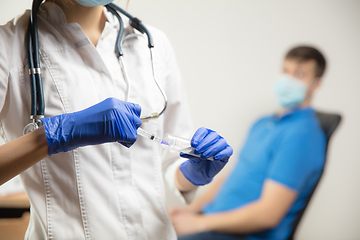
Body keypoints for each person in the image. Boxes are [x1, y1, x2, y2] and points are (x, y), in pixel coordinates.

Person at [0, 0, 233, 239]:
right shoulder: (8, 46)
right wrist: (54, 135)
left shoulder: (152, 44)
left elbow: (168, 163)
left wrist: (191, 172)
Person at [170, 46, 327, 240]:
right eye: (286, 71)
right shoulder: (262, 123)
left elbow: (268, 215)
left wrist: (198, 223)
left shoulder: (302, 136)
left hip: (241, 235)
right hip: (213, 223)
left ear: (315, 85)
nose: (288, 80)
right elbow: (232, 176)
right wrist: (191, 211)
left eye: (299, 74)